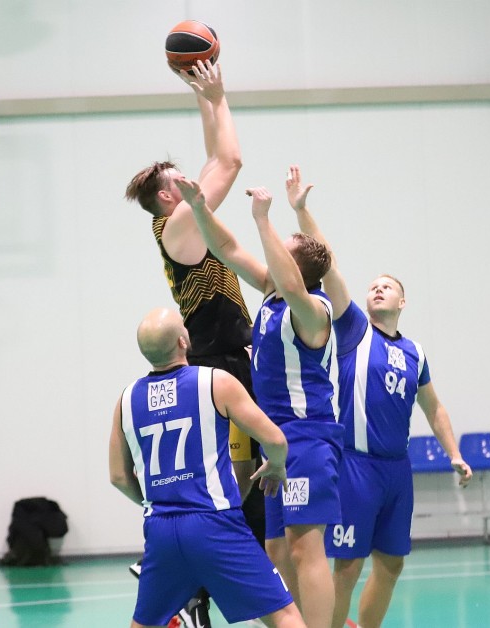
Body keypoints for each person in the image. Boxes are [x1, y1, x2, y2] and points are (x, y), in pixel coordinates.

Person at [285, 166, 473, 628]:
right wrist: (302, 210)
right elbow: (328, 265)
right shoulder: (353, 330)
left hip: (397, 469)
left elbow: (434, 408)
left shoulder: (415, 353)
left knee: (391, 564)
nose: (377, 288)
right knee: (347, 567)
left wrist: (454, 453)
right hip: (356, 466)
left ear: (402, 302)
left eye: (387, 286)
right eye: (373, 286)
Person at [124, 59, 261, 627]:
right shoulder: (179, 226)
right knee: (233, 485)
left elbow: (213, 158)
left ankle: (193, 582)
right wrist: (221, 95)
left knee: (238, 481)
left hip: (227, 360)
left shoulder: (183, 219)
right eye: (181, 182)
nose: (193, 182)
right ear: (167, 196)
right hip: (215, 366)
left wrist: (204, 97)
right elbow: (229, 162)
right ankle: (187, 578)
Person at [178, 177, 341, 628]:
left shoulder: (314, 311)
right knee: (277, 548)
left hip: (307, 439)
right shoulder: (273, 291)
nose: (270, 253)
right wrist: (199, 207)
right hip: (276, 443)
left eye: (281, 250)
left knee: (306, 547)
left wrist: (263, 219)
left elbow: (292, 285)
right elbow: (227, 248)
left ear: (297, 269)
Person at [109, 308, 305, 628]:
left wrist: (152, 502)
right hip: (214, 522)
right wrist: (276, 465)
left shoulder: (126, 399)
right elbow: (276, 440)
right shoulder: (215, 382)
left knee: (144, 623)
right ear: (183, 341)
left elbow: (118, 476)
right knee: (285, 616)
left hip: (160, 530)